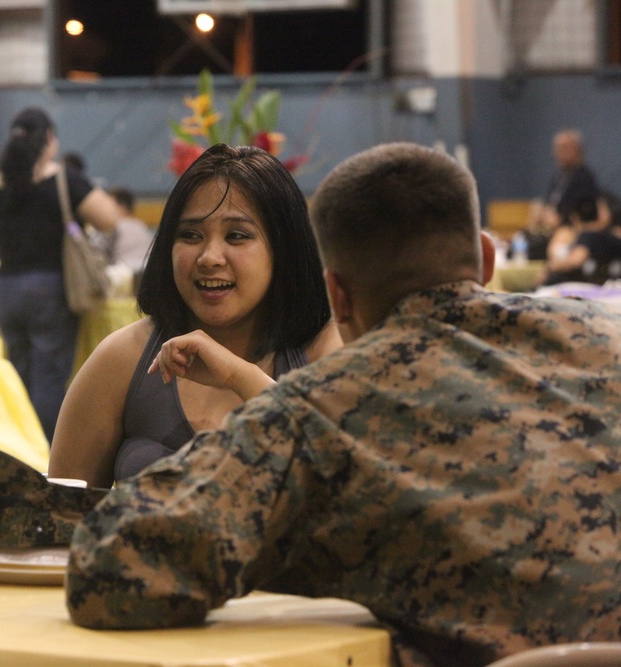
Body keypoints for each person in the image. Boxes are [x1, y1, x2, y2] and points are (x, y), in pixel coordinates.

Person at [66, 142, 621, 667]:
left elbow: (107, 570)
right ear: (485, 256)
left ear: (337, 293)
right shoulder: (606, 339)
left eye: (238, 235)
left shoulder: (330, 407)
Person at [48, 144, 342, 490]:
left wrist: (238, 375)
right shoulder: (122, 359)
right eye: (190, 235)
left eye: (236, 236)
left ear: (284, 249)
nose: (209, 257)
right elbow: (58, 514)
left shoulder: (325, 353)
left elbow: (345, 480)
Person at [0, 107, 119, 443]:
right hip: (51, 288)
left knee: (18, 376)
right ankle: (46, 457)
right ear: (50, 139)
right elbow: (109, 218)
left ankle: (17, 448)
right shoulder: (64, 178)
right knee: (50, 379)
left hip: (7, 287)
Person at [524, 129, 601, 260]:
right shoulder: (558, 177)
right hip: (550, 230)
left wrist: (560, 218)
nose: (560, 152)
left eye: (565, 148)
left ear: (578, 150)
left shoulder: (584, 177)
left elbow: (584, 213)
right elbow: (550, 203)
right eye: (558, 148)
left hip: (570, 233)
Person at [542, 196, 621, 285]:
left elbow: (576, 260)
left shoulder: (589, 235)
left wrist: (551, 267)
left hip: (584, 287)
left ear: (575, 218)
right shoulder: (611, 236)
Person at [100, 187, 156, 274]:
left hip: (123, 275)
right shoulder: (141, 226)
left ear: (122, 207)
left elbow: (99, 254)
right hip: (146, 272)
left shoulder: (114, 226)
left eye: (109, 205)